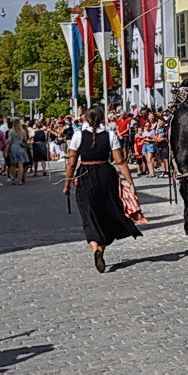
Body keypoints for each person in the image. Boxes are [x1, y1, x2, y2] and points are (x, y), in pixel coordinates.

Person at [62, 107, 142, 274]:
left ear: (85, 118)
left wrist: (67, 184)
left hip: (85, 174)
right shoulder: (110, 135)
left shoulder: (78, 136)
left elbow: (71, 163)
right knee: (107, 213)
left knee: (88, 213)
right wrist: (130, 182)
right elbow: (120, 161)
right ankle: (101, 249)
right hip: (106, 175)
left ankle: (94, 248)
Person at [6, 120, 29, 186]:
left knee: (13, 164)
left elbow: (9, 141)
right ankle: (20, 180)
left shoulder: (11, 131)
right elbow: (25, 140)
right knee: (20, 164)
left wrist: (6, 150)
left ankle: (13, 179)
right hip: (21, 147)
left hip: (13, 147)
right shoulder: (23, 131)